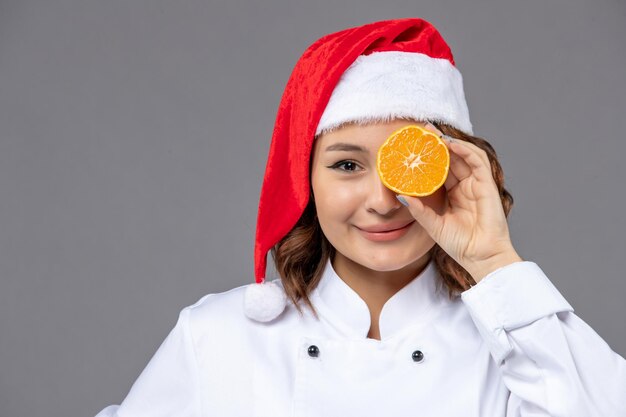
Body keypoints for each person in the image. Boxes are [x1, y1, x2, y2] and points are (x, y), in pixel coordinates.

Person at [95, 17, 626, 417]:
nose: (383, 200)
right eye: (347, 164)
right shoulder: (217, 337)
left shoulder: (518, 345)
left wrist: (495, 261)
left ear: (455, 168)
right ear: (305, 180)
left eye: (409, 163)